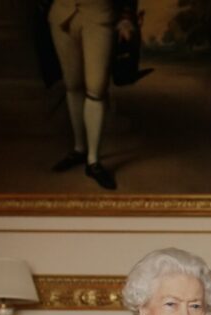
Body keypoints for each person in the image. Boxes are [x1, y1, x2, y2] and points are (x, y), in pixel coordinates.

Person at [47, 0, 135, 191]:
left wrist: (126, 16)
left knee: (96, 87)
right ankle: (79, 149)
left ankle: (93, 161)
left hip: (99, 14)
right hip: (62, 15)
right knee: (72, 84)